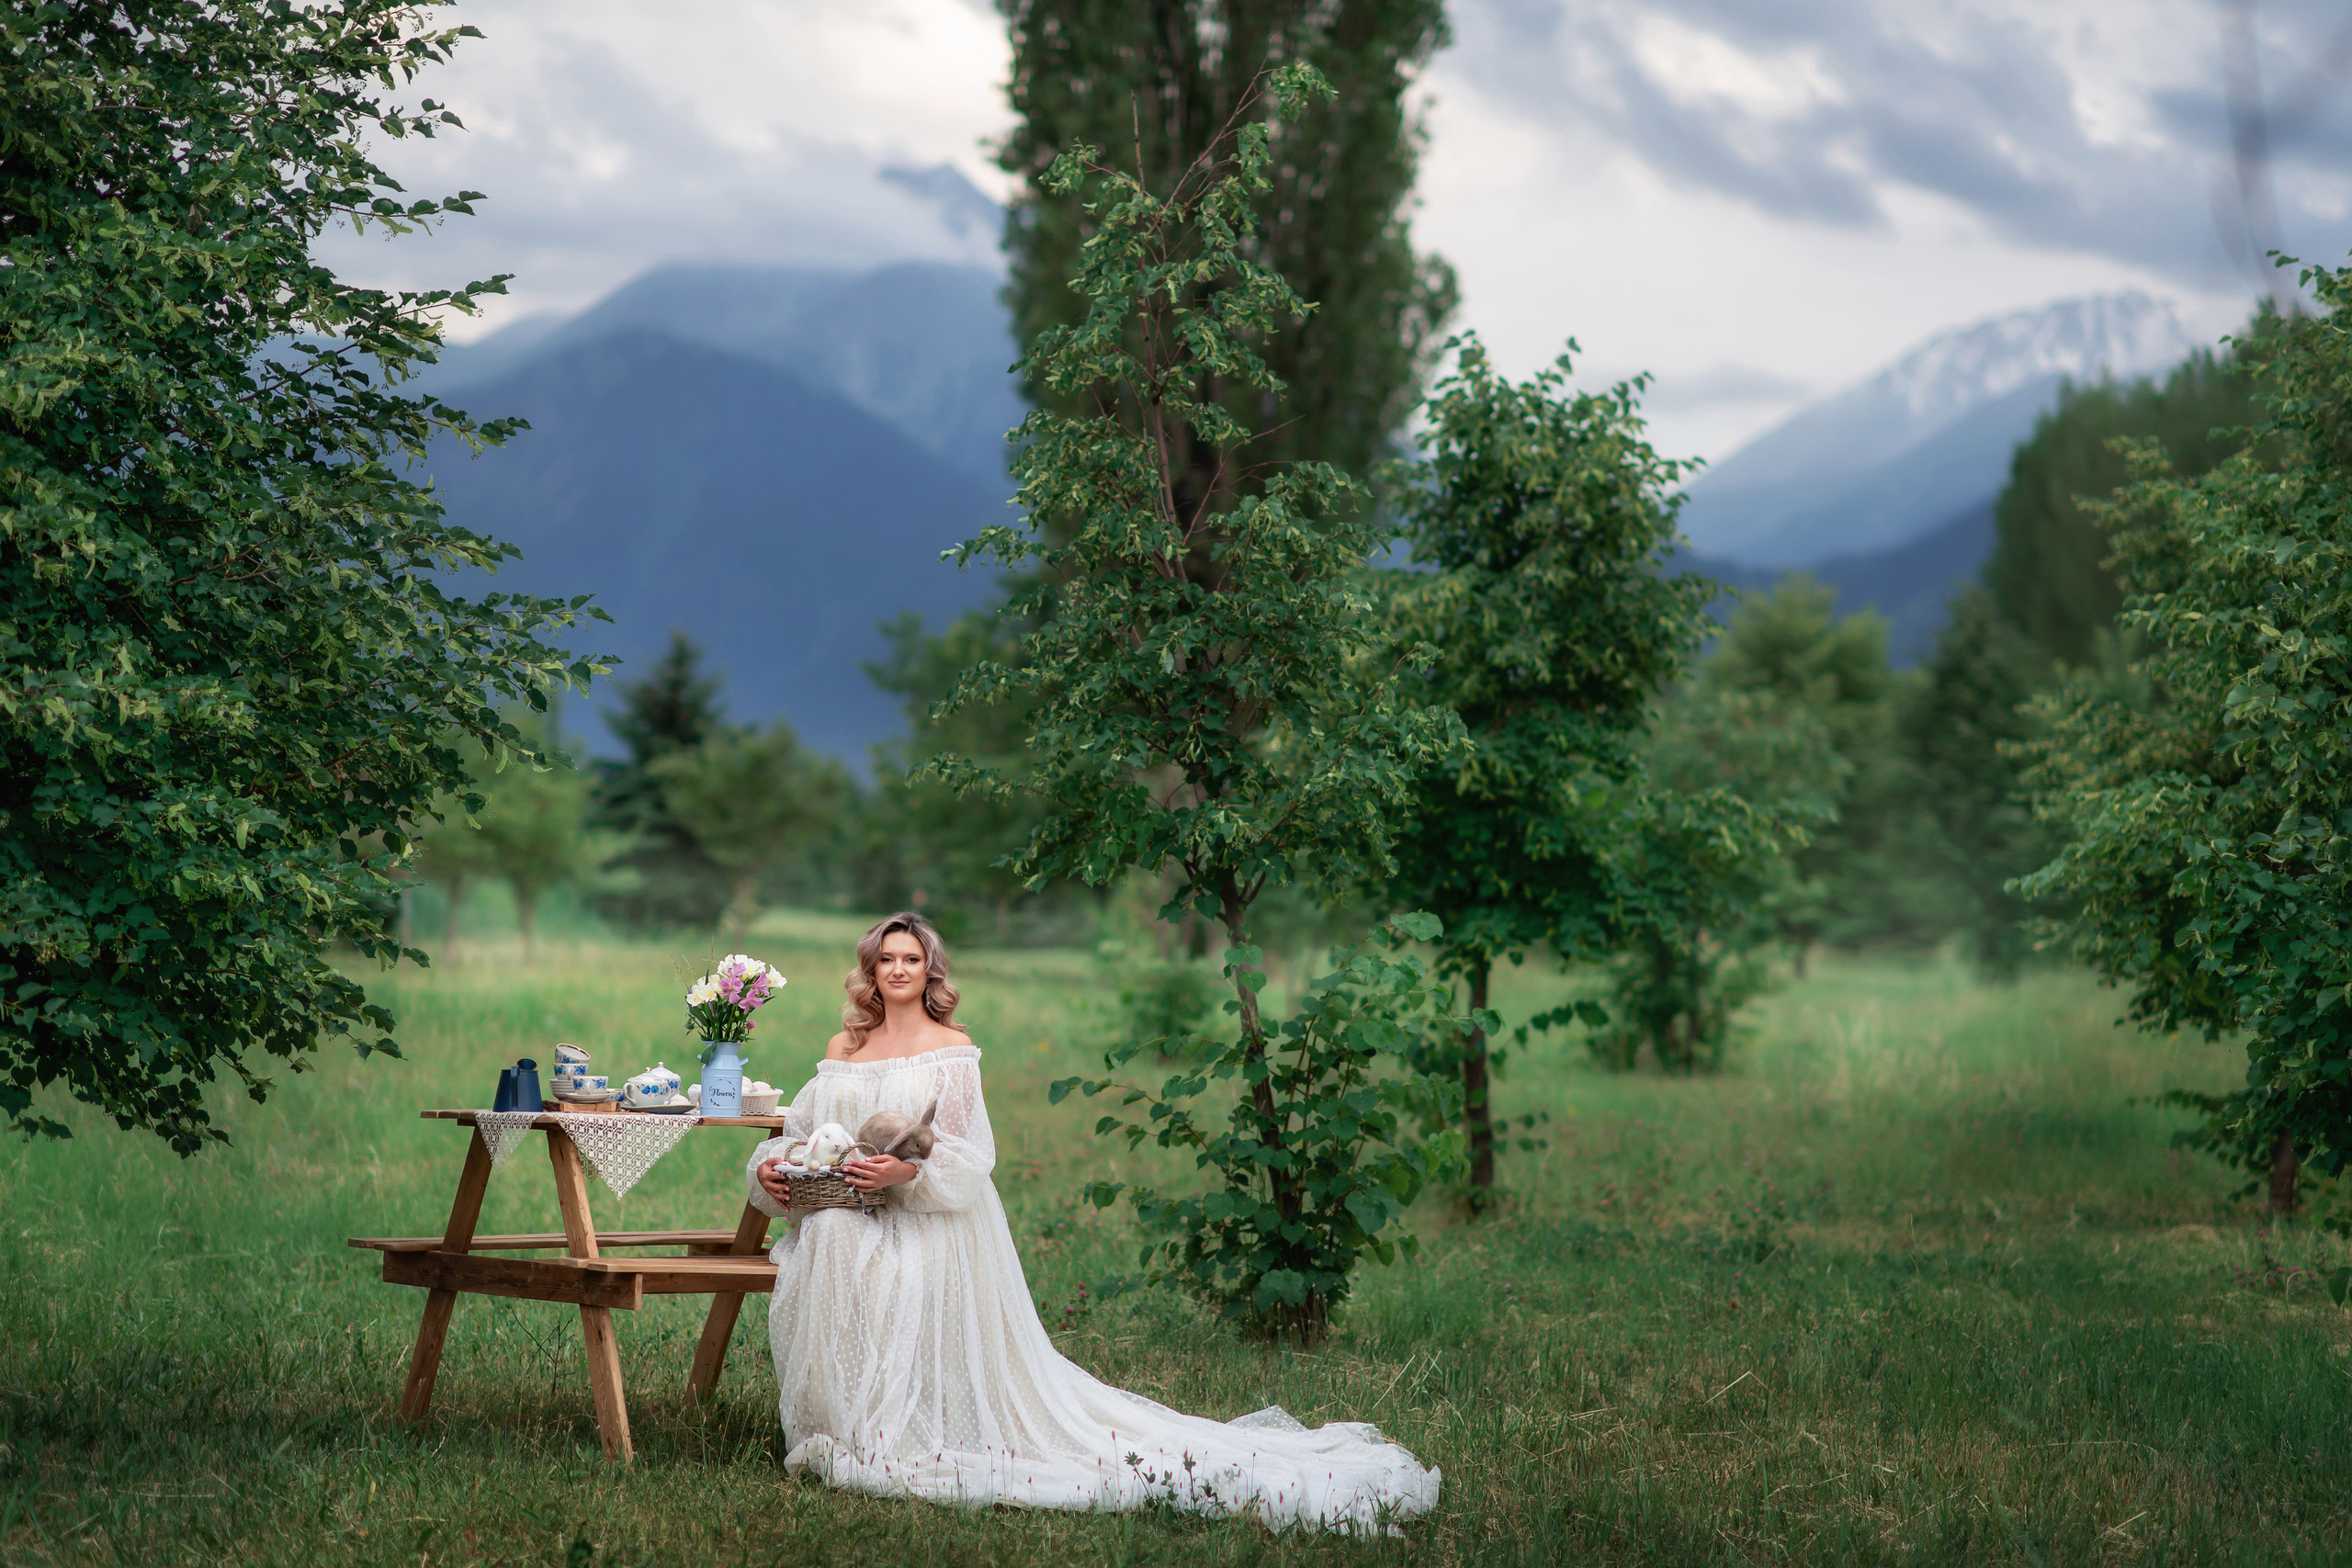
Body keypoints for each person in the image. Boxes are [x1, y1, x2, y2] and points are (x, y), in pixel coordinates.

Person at [746, 910, 1440, 1531]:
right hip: (845, 1206)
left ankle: (894, 1431)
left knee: (881, 1258)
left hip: (927, 1216)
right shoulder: (845, 1047)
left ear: (930, 970)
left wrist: (905, 1172)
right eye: (886, 959)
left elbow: (965, 1151)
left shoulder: (950, 1045)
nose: (898, 970)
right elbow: (808, 1131)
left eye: (911, 959)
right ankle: (842, 1423)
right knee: (830, 1234)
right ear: (868, 970)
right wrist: (774, 1167)